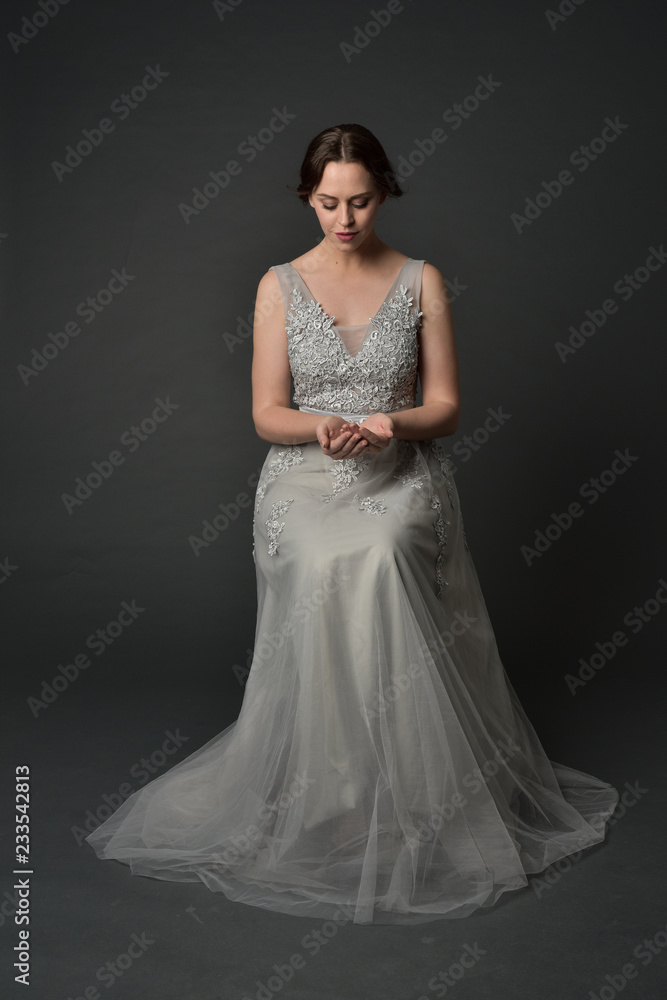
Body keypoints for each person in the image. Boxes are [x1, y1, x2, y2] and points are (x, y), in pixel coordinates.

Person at [85, 123, 619, 925]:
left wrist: (387, 426)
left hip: (401, 470)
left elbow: (446, 407)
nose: (344, 218)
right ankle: (328, 789)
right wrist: (322, 429)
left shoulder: (420, 280)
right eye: (328, 202)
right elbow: (268, 413)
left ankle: (410, 791)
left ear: (384, 192)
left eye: (360, 201)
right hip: (304, 476)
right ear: (307, 197)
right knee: (314, 557)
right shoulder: (278, 285)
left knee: (378, 551)